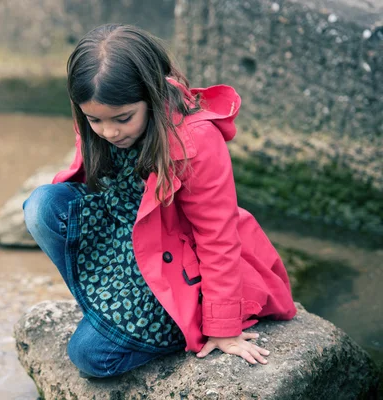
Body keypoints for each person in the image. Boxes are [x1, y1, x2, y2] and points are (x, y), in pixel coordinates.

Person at [23, 24, 296, 378]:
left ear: (150, 94)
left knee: (89, 356)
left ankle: (139, 320)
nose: (109, 132)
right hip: (126, 238)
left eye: (123, 118)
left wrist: (222, 325)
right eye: (95, 120)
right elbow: (89, 184)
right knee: (41, 207)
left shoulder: (195, 140)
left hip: (177, 262)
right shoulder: (101, 117)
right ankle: (103, 312)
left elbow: (218, 237)